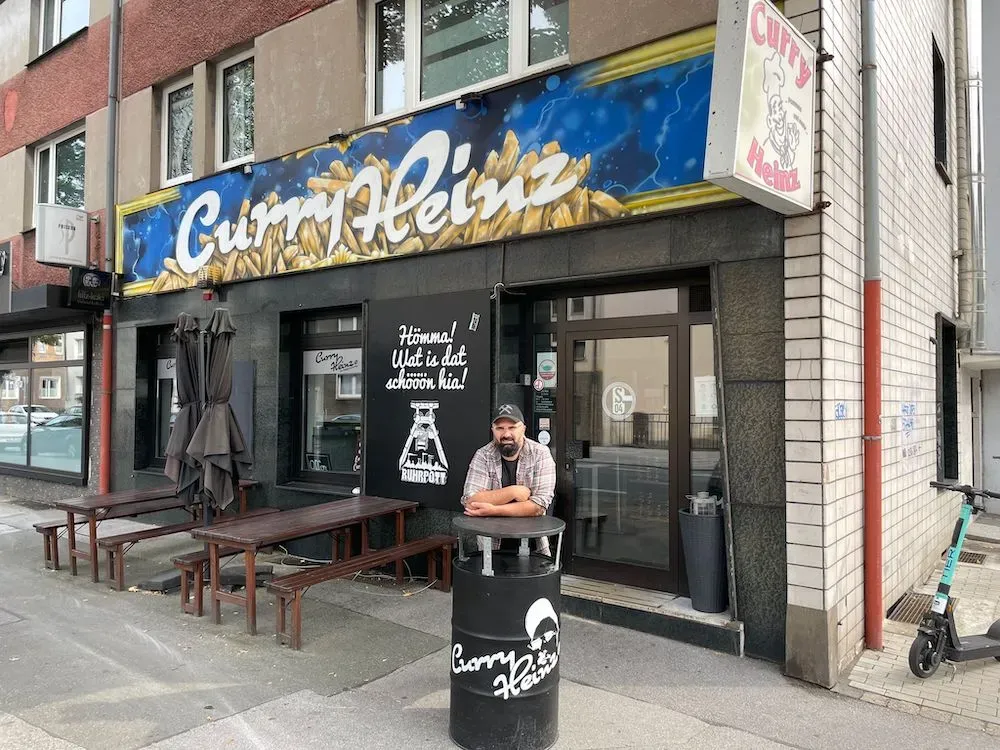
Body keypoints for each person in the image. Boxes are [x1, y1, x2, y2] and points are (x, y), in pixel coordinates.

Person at [461, 403, 556, 554]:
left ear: (523, 429)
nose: (506, 434)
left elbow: (538, 506)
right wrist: (513, 492)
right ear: (493, 430)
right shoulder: (483, 455)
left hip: (533, 546)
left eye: (512, 428)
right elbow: (470, 502)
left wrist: (493, 509)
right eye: (500, 428)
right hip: (491, 547)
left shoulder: (540, 454)